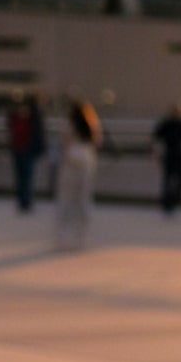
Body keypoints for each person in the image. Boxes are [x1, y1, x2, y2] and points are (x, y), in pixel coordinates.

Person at [54, 99, 102, 250]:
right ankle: (81, 238)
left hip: (70, 164)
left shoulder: (69, 125)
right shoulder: (91, 125)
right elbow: (97, 142)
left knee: (66, 200)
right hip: (87, 164)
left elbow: (64, 142)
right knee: (84, 201)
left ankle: (63, 238)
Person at [152, 99, 181, 215]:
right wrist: (156, 152)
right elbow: (156, 138)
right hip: (169, 154)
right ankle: (167, 203)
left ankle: (174, 200)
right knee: (168, 179)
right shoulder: (167, 124)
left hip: (180, 155)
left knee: (179, 180)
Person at [5, 89, 46, 212]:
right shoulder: (15, 118)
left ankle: (26, 201)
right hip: (18, 150)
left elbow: (38, 134)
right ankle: (22, 201)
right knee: (20, 177)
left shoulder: (33, 118)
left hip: (28, 150)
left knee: (27, 177)